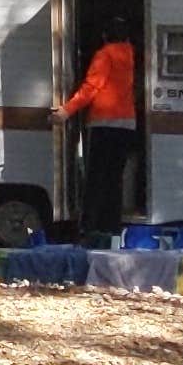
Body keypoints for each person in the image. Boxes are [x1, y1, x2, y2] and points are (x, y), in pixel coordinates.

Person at [55, 26, 141, 239]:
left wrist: (66, 111)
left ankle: (91, 227)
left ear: (104, 37)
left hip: (103, 122)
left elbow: (91, 87)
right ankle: (112, 227)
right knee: (115, 178)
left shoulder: (104, 55)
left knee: (96, 178)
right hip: (127, 123)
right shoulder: (131, 54)